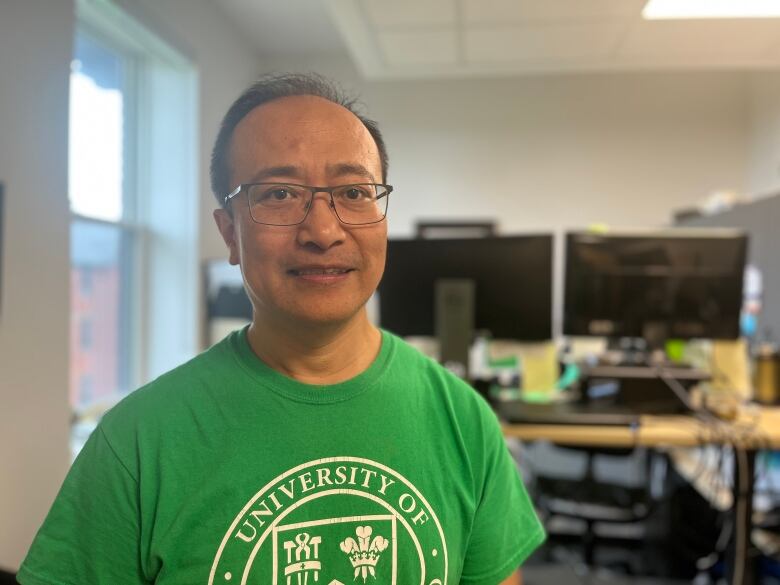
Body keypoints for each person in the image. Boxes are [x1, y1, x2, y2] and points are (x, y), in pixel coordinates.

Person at [19, 73, 544, 584]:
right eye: (278, 194)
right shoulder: (137, 442)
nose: (322, 230)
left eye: (355, 192)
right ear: (229, 233)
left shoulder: (463, 420)